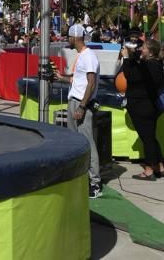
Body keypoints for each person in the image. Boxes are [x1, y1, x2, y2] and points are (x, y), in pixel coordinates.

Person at [55, 24, 102, 199]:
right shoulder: (82, 56)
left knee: (88, 142)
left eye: (68, 36)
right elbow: (80, 80)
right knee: (75, 140)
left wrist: (82, 106)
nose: (67, 39)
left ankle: (95, 182)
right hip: (75, 100)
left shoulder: (88, 56)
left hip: (82, 103)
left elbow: (91, 83)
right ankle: (80, 176)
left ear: (75, 37)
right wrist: (61, 77)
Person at [122, 37, 164, 180]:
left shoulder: (148, 67)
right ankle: (159, 166)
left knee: (147, 138)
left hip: (141, 106)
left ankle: (149, 170)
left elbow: (130, 75)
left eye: (144, 48)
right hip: (150, 106)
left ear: (151, 52)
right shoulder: (156, 64)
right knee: (151, 137)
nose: (141, 49)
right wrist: (134, 55)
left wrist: (125, 58)